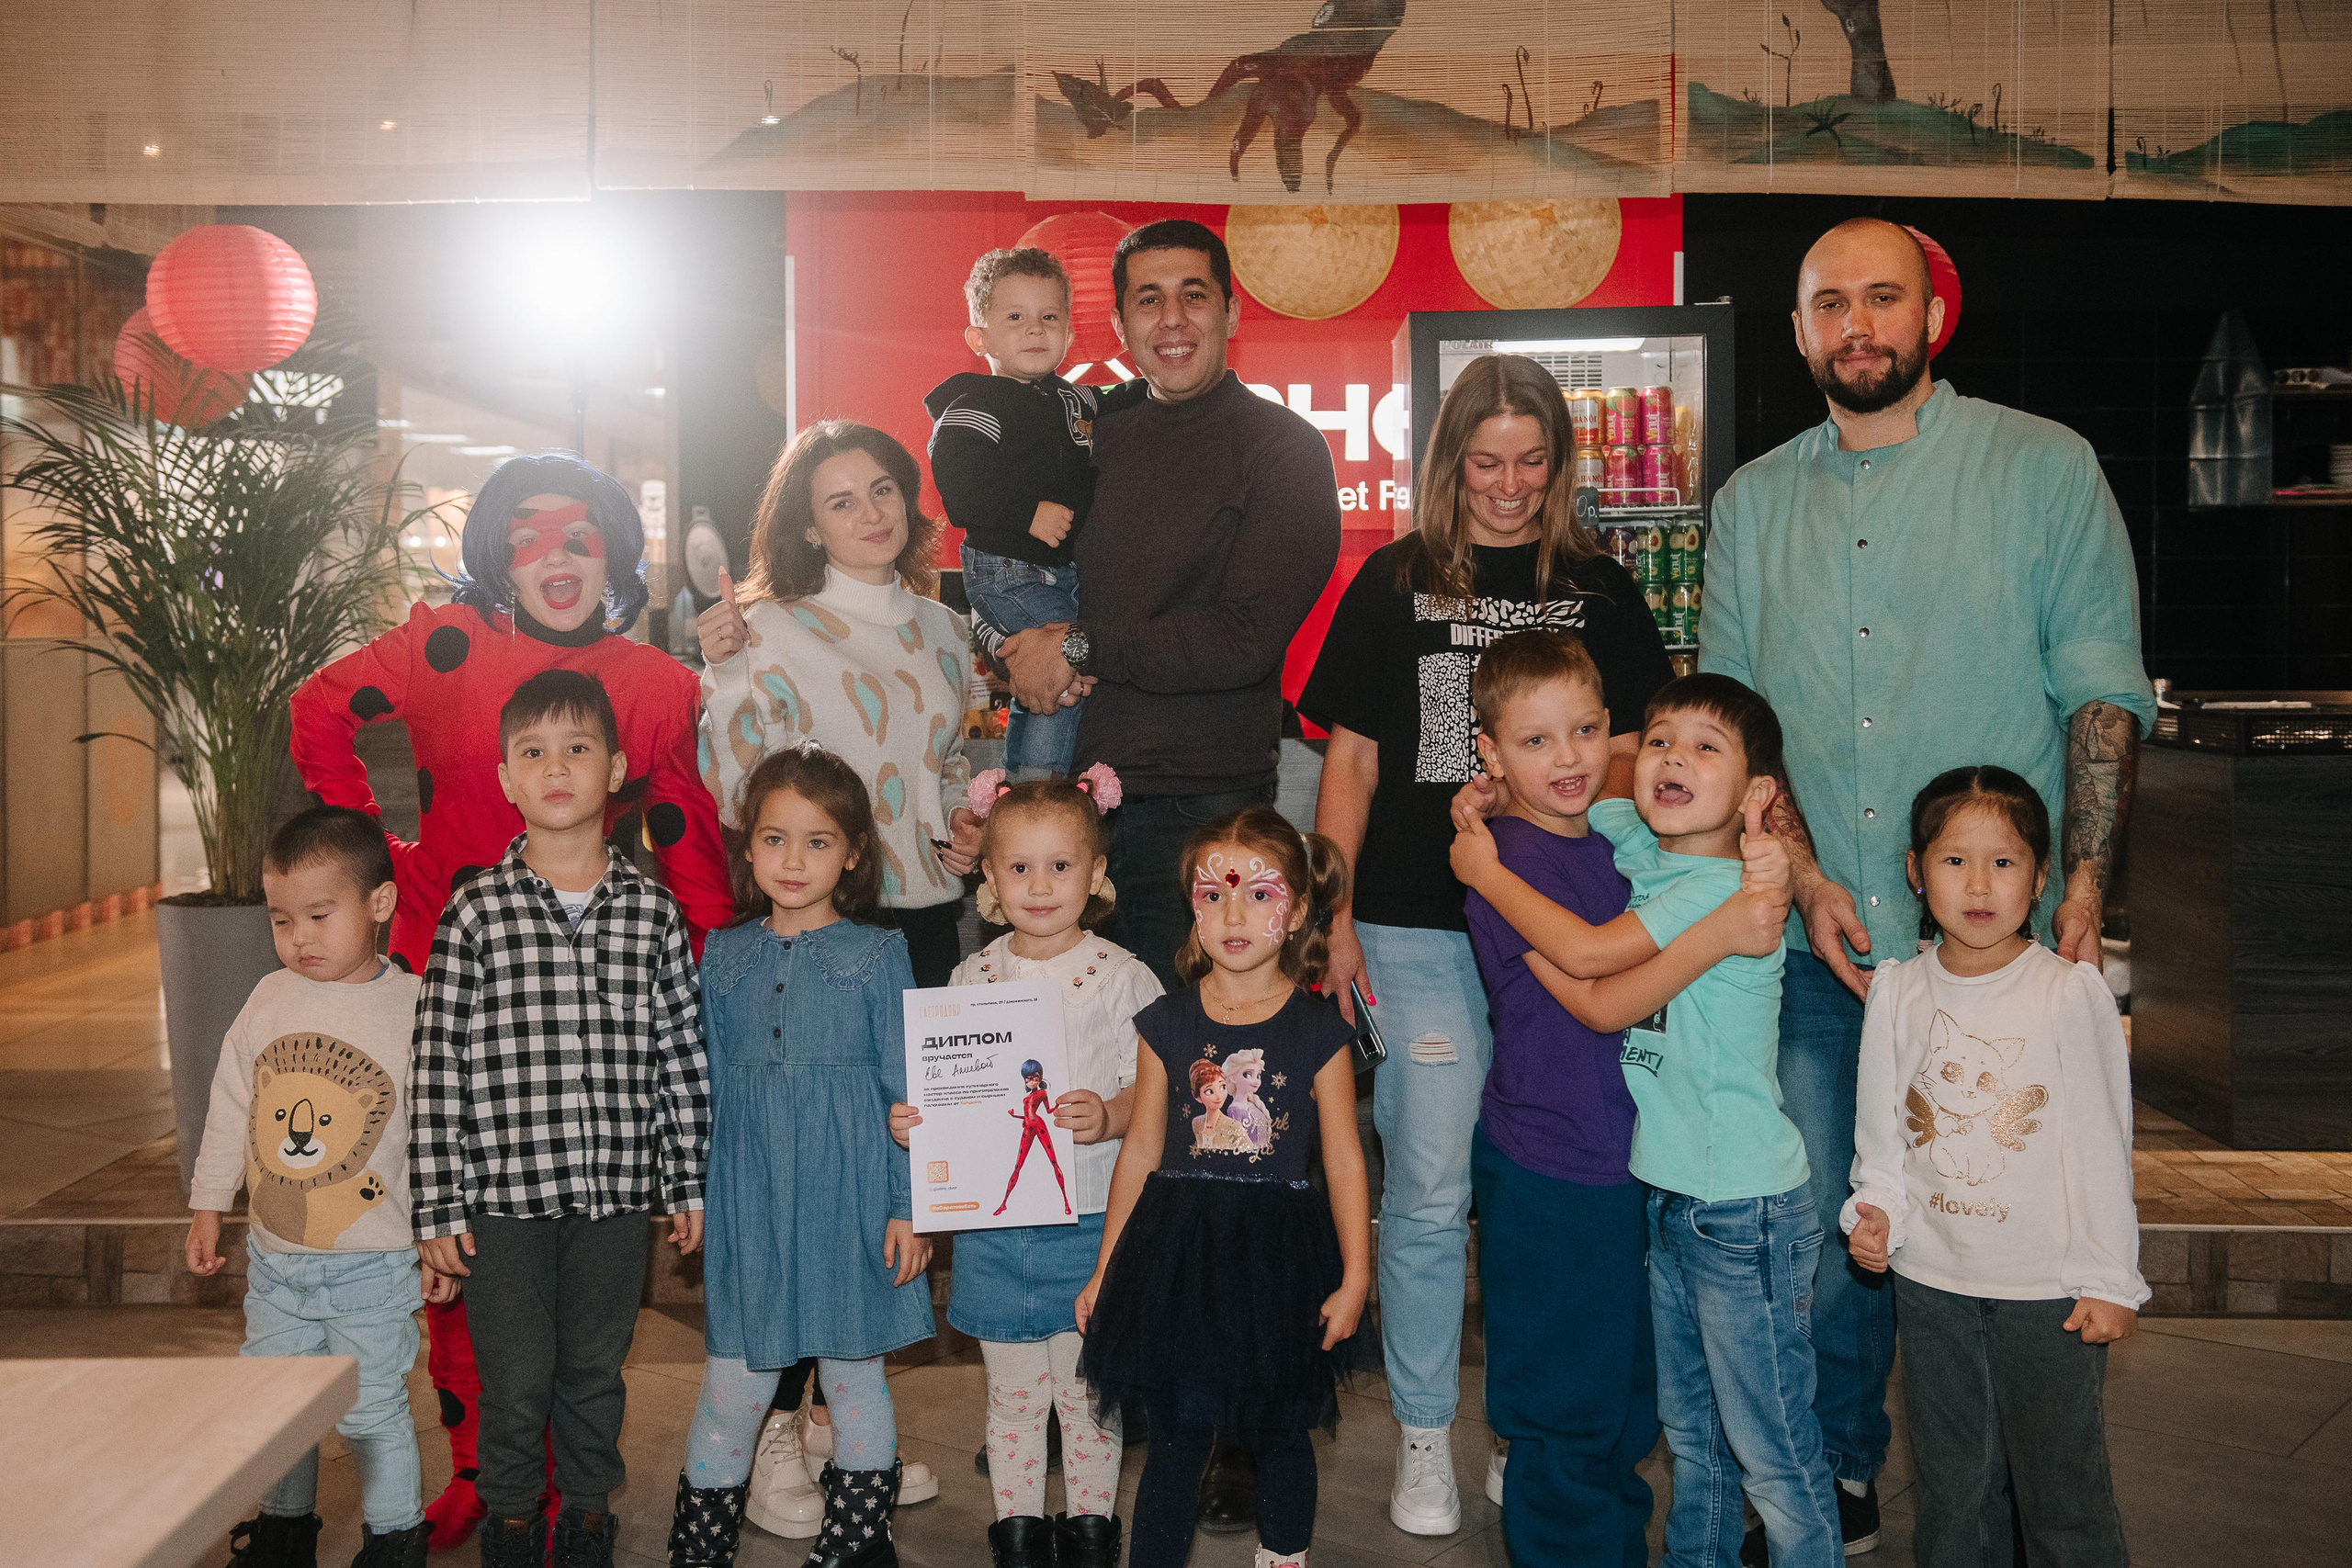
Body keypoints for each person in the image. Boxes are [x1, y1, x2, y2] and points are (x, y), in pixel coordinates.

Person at [1697, 217, 2157, 1560]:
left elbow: (2102, 691)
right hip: (1819, 943)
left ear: (1930, 316)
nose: (1857, 323)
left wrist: (2081, 884)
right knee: (1834, 1224)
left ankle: (2021, 1477)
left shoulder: (2042, 467)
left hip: (1995, 963)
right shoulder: (1749, 506)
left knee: (2000, 1216)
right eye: (1829, 302)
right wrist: (1820, 881)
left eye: (1881, 297)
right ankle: (1840, 1466)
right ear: (1797, 332)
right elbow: (1739, 732)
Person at [290, 453, 732, 1549]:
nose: (557, 556)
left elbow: (678, 824)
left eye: (580, 534)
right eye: (529, 536)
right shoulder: (441, 642)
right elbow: (320, 709)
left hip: (591, 998)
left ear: (614, 550)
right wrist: (380, 846)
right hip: (442, 969)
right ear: (495, 550)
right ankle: (484, 1475)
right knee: (455, 1254)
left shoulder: (653, 681)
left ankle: (567, 1497)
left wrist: (716, 953)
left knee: (578, 1327)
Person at [1297, 352, 1670, 1533]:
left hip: (1564, 929)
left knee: (1540, 1190)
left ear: (1559, 465)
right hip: (1413, 925)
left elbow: (1632, 757)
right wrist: (1335, 914)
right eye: (1485, 460)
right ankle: (1421, 1438)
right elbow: (1349, 762)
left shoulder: (1603, 589)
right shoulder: (1392, 580)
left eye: (1531, 462)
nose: (1507, 487)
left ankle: (1531, 1425)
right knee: (1427, 1189)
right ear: (1449, 461)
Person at [1453, 673, 1833, 1566]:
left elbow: (1591, 977)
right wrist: (1494, 795)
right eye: (1660, 739)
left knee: (1765, 1447)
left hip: (1738, 1201)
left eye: (1708, 748)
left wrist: (1483, 869)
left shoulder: (1725, 895)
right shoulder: (1634, 833)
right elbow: (1573, 804)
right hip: (1662, 1186)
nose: (1675, 759)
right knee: (1689, 1432)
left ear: (1757, 791)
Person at [993, 219, 1343, 994]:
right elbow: (1011, 554)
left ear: (1233, 311)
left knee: (1188, 1074)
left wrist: (1077, 648)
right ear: (1119, 325)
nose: (1173, 319)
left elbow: (1241, 639)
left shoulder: (1282, 450)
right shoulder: (1089, 431)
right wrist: (1014, 646)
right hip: (1074, 808)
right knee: (1076, 1075)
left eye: (1194, 295)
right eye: (1148, 300)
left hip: (1202, 810)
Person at [409, 671, 711, 1568]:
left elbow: (680, 1056)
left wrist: (687, 1178)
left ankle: (584, 1509)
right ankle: (510, 1512)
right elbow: (436, 1066)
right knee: (515, 1374)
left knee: (590, 1369)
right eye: (532, 752)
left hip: (614, 1199)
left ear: (615, 768)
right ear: (505, 778)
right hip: (501, 1201)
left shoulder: (651, 915)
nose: (556, 768)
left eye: (577, 748)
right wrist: (436, 1209)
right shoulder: (474, 913)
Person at [1843, 767, 2143, 1568]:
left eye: (2004, 863)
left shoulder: (2066, 993)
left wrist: (2109, 1277)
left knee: (2062, 1487)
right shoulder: (1899, 993)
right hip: (1933, 1283)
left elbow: (2100, 1143)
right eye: (1953, 861)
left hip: (2047, 1292)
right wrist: (1874, 1216)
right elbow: (1883, 1144)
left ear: (2041, 877)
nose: (1979, 884)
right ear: (1916, 869)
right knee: (1953, 1484)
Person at [1077, 807, 1374, 1568]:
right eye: (1213, 895)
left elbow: (1343, 1159)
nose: (1233, 913)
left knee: (1280, 1431)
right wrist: (1108, 1267)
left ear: (1300, 909)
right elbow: (1140, 1148)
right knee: (1176, 1438)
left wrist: (1356, 1274)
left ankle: (1283, 1559)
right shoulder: (1167, 1023)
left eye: (1259, 894)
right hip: (1177, 1257)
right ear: (1192, 907)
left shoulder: (1318, 1033)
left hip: (1278, 1260)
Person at [665, 743, 934, 1568]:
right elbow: (699, 1086)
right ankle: (700, 1547)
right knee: (732, 1385)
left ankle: (857, 1546)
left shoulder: (880, 956)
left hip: (849, 1203)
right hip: (750, 1199)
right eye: (775, 838)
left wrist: (908, 1206)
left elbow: (906, 1098)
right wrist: (692, 1191)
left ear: (852, 853)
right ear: (747, 847)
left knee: (855, 1381)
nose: (793, 859)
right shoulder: (721, 954)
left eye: (818, 841)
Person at [888, 768, 1162, 1568]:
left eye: (1061, 865)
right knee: (1011, 1401)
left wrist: (1108, 1112)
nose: (1040, 886)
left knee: (1085, 1402)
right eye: (1019, 867)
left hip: (1089, 1224)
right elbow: (950, 1088)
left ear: (1098, 874)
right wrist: (920, 1124)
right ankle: (1015, 1539)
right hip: (996, 1232)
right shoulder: (971, 979)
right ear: (989, 882)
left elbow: (1157, 1089)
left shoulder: (1123, 976)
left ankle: (1088, 1538)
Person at [187, 807, 437, 1568]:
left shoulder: (416, 1007)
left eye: (320, 916)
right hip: (276, 1260)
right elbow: (232, 1104)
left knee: (370, 1413)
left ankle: (395, 1539)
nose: (299, 937)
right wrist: (208, 1206)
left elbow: (437, 1136)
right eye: (282, 919)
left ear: (380, 904)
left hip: (374, 1263)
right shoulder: (268, 998)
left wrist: (441, 1234)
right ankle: (284, 1530)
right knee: (278, 1410)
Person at [697, 422, 981, 988]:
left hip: (931, 917)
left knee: (925, 1082)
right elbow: (734, 795)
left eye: (882, 490)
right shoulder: (767, 629)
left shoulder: (948, 630)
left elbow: (944, 764)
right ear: (809, 528)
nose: (872, 514)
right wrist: (726, 671)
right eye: (842, 502)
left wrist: (960, 819)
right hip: (818, 916)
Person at [924, 246, 1146, 781]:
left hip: (1064, 573)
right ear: (980, 338)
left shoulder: (1072, 399)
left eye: (1049, 318)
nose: (1034, 331)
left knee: (1067, 669)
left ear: (1069, 332)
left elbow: (1110, 402)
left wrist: (1151, 385)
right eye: (1015, 318)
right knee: (1055, 681)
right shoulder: (978, 402)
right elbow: (956, 480)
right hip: (1007, 571)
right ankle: (1031, 793)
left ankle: (1055, 798)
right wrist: (1027, 513)